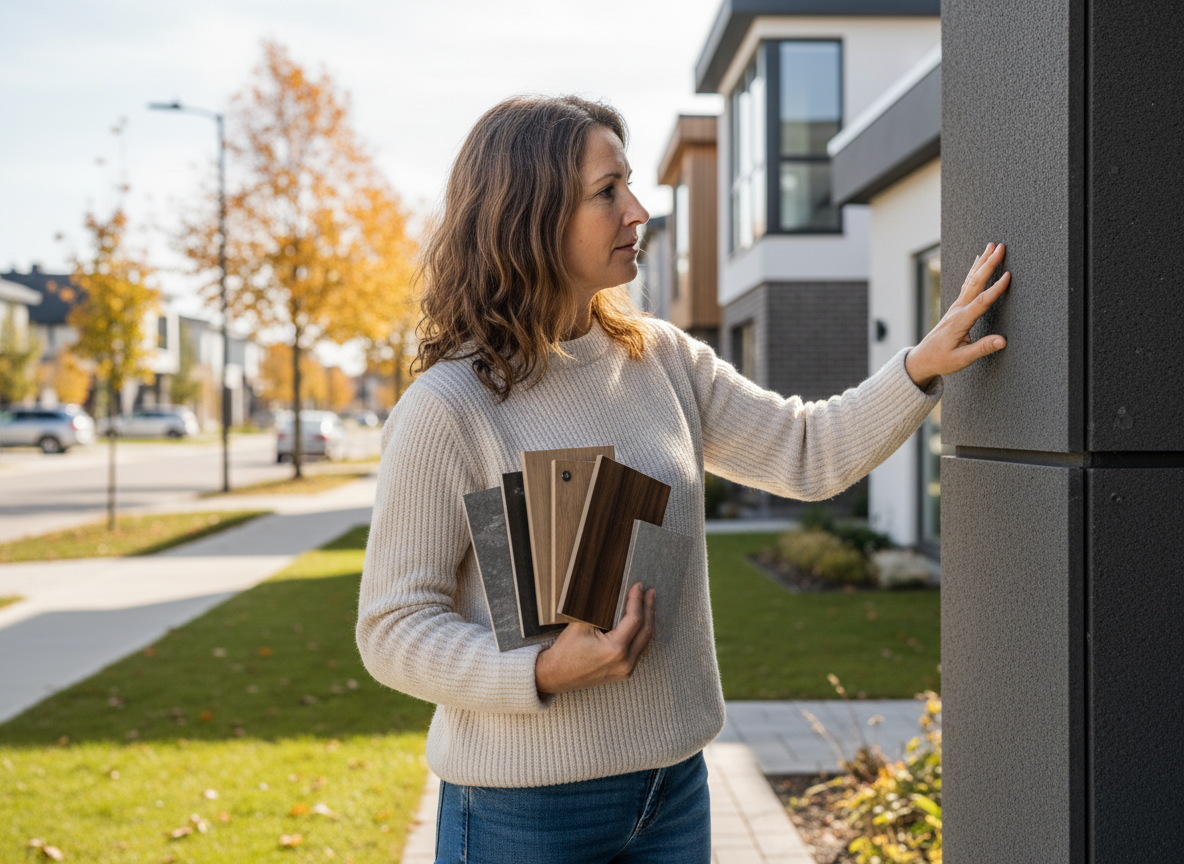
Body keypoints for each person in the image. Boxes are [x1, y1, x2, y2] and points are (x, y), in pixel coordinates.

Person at [356, 95, 1010, 864]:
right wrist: (538, 669)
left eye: (630, 185)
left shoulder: (662, 359)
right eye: (608, 192)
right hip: (522, 812)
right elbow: (392, 625)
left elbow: (806, 452)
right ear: (529, 216)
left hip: (671, 793)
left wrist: (918, 369)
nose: (636, 210)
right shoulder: (451, 405)